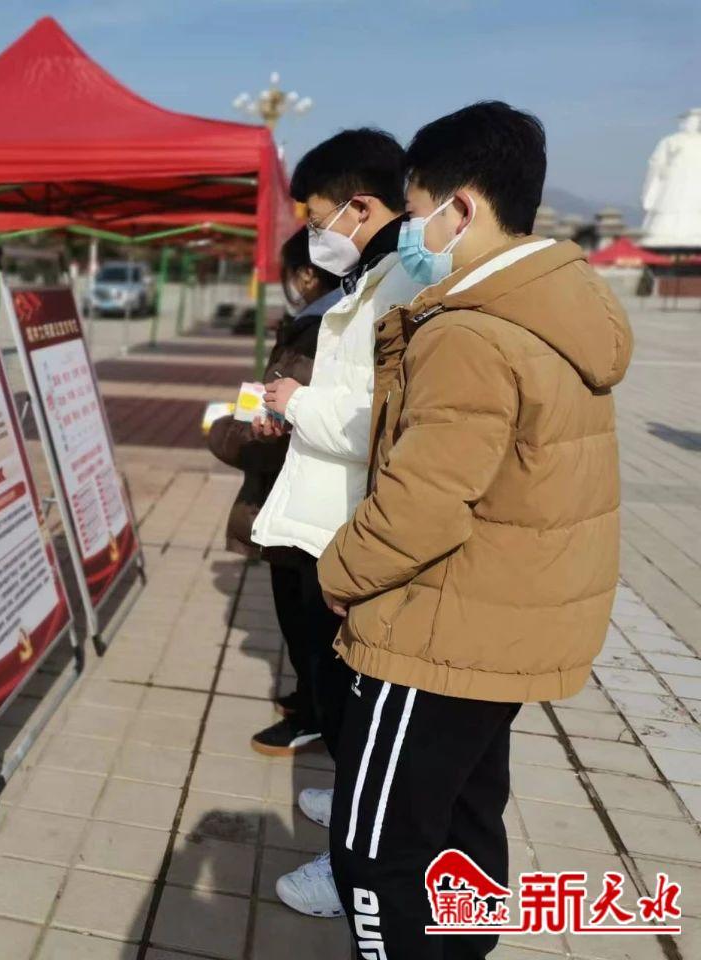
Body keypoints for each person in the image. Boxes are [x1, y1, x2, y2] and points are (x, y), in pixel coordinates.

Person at [318, 101, 632, 960]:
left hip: (434, 630)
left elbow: (421, 502)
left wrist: (338, 574)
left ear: (460, 208)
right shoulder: (561, 309)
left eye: (415, 212)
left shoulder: (471, 333)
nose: (410, 234)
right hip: (501, 623)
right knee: (462, 826)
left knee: (375, 853)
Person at [249, 128, 425, 919]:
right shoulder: (375, 275)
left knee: (356, 701)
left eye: (319, 216)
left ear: (359, 206)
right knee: (338, 688)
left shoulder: (403, 284)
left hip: (355, 534)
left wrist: (298, 403)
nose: (316, 233)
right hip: (330, 522)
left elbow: (384, 419)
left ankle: (355, 867)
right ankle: (353, 808)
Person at [207, 227, 341, 727]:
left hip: (293, 502)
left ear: (305, 274)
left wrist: (224, 434)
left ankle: (316, 716)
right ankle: (311, 700)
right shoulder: (319, 324)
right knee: (302, 617)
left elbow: (279, 429)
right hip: (295, 501)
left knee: (306, 619)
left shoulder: (320, 332)